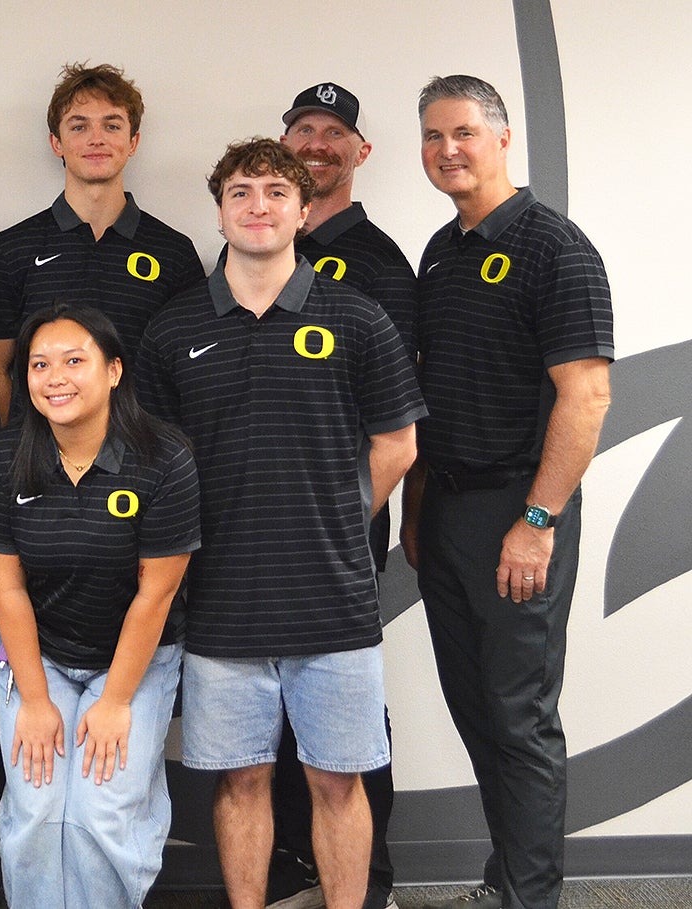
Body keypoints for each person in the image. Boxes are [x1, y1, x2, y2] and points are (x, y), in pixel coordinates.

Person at [136, 138, 425, 909]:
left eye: (273, 191)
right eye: (240, 192)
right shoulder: (172, 331)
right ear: (221, 210)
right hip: (221, 601)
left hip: (333, 600)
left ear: (303, 209)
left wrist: (333, 518)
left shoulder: (358, 319)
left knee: (337, 778)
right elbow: (155, 462)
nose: (257, 205)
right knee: (243, 777)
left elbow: (398, 443)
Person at [401, 75, 613, 909]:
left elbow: (587, 395)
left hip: (518, 513)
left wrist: (536, 520)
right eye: (431, 136)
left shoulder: (556, 248)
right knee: (477, 711)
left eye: (461, 133)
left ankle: (533, 900)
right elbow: (433, 391)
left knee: (519, 717)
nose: (446, 150)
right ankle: (505, 881)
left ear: (501, 138)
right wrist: (418, 511)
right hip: (448, 511)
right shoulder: (440, 251)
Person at [0, 304, 200, 909]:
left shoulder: (164, 458)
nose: (56, 377)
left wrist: (118, 700)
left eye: (75, 361)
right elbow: (8, 590)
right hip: (37, 657)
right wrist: (37, 700)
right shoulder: (0, 460)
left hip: (132, 660)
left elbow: (156, 594)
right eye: (40, 365)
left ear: (115, 371)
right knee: (38, 806)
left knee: (103, 809)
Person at [263, 81, 417, 909]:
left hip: (335, 527)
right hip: (252, 524)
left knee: (344, 706)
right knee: (270, 702)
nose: (317, 142)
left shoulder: (380, 264)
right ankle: (297, 870)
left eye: (334, 132)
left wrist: (340, 513)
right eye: (303, 129)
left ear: (360, 151)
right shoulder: (254, 245)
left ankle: (368, 884)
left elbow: (396, 422)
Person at [0, 62, 202, 422]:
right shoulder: (10, 250)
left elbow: (185, 373)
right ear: (57, 143)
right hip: (38, 461)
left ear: (133, 142)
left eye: (111, 125)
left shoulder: (174, 253)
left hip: (144, 460)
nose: (96, 138)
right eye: (79, 126)